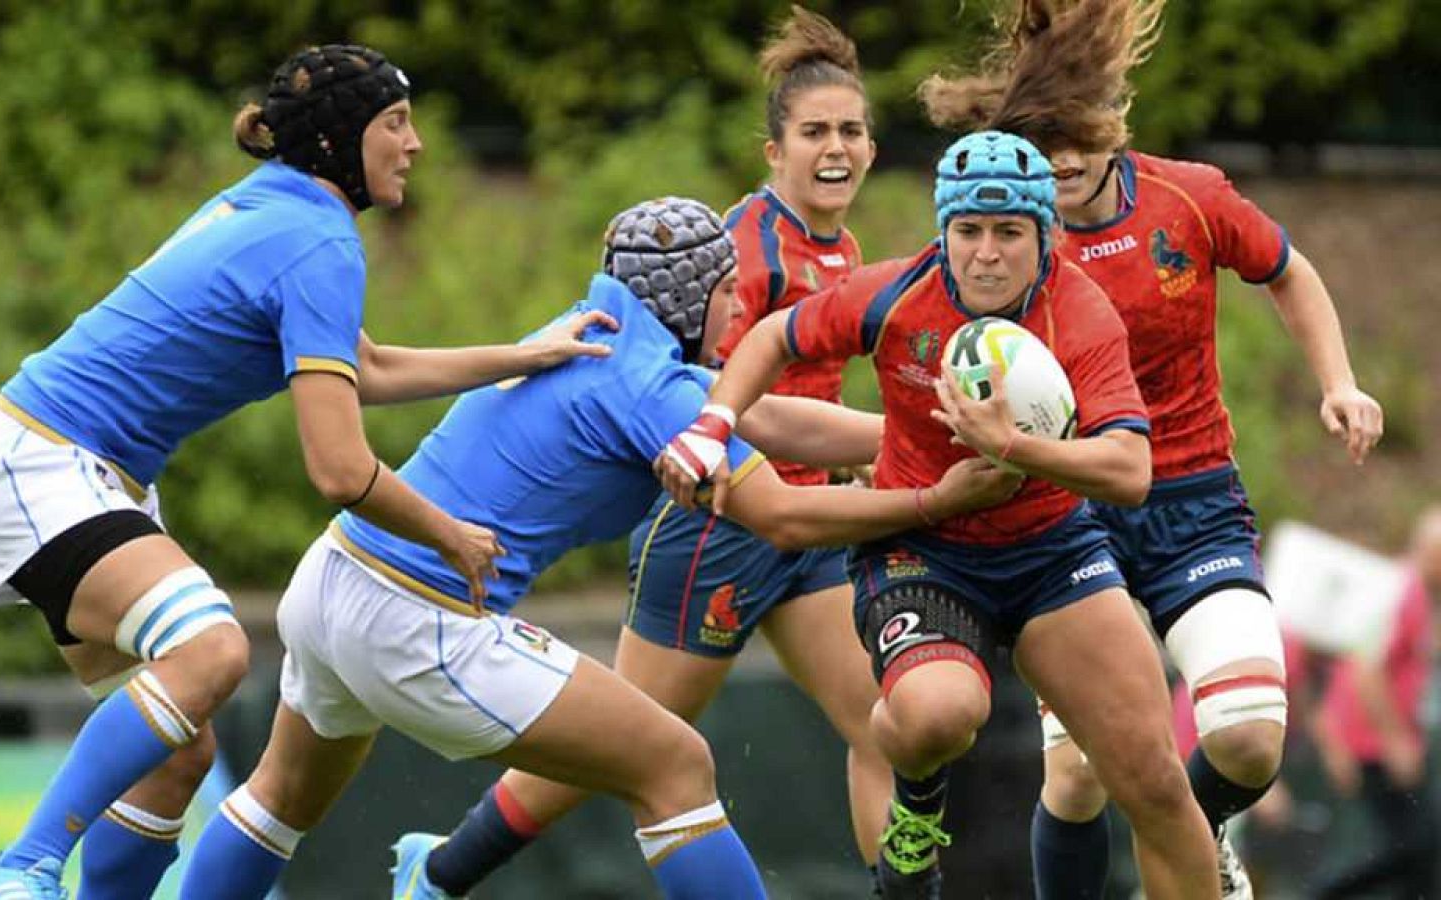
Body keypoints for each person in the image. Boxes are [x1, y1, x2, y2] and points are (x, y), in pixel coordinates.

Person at [174, 196, 1021, 900]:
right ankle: (438, 878)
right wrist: (931, 498)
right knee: (676, 763)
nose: (739, 313)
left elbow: (759, 415)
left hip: (330, 581)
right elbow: (781, 517)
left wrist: (905, 438)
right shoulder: (645, 383)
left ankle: (427, 881)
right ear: (697, 297)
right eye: (730, 293)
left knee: (277, 798)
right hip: (418, 614)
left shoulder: (600, 328)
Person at [0, 44, 620, 900]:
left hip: (53, 463)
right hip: (47, 464)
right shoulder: (319, 242)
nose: (415, 144)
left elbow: (367, 367)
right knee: (212, 649)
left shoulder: (278, 209)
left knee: (182, 750)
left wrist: (522, 357)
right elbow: (340, 470)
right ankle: (23, 863)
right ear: (343, 140)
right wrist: (448, 533)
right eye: (395, 123)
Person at [393, 7, 901, 897]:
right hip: (716, 529)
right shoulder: (742, 248)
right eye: (814, 131)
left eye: (852, 132)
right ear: (773, 149)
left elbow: (808, 396)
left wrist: (856, 451)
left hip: (804, 525)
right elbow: (718, 405)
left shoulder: (842, 248)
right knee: (618, 746)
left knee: (887, 726)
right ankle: (437, 873)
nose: (836, 149)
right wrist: (904, 447)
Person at [658, 131, 1223, 899]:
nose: (986, 253)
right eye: (968, 232)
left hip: (1053, 550)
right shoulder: (896, 294)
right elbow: (770, 338)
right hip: (924, 552)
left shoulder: (1081, 312)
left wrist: (1014, 447)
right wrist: (711, 424)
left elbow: (1129, 471)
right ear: (943, 233)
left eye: (1009, 233)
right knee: (936, 716)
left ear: (1046, 235)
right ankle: (916, 799)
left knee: (1154, 781)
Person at [915, 2, 1385, 896]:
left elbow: (1288, 270)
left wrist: (1339, 382)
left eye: (1072, 137)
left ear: (1109, 124)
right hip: (1068, 523)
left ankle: (1189, 837)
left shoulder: (1189, 198)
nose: (1058, 162)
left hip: (1195, 505)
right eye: (1039, 141)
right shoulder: (1006, 241)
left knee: (1248, 738)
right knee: (1081, 774)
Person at [1306, 507, 1440, 899]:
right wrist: (1395, 740)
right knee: (1417, 847)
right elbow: (1366, 669)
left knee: (1415, 849)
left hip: (1378, 742)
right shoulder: (1403, 590)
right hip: (1372, 746)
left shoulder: (1412, 593)